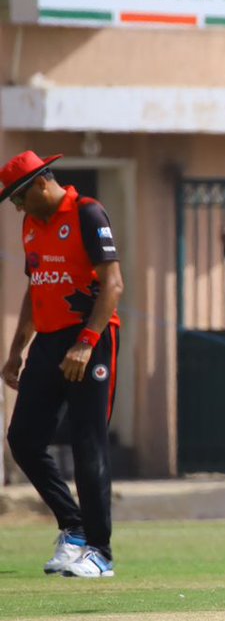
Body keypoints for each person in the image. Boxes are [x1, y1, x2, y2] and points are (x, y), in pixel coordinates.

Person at [0, 151, 123, 578]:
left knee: (89, 443)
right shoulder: (31, 225)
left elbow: (113, 284)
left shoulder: (87, 213)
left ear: (39, 184)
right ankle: (73, 527)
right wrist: (17, 350)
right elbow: (38, 288)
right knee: (24, 439)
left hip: (91, 338)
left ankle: (100, 551)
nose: (16, 207)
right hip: (50, 342)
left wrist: (86, 343)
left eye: (18, 197)